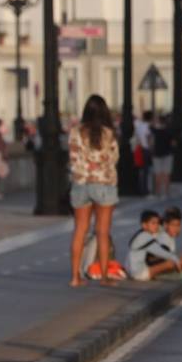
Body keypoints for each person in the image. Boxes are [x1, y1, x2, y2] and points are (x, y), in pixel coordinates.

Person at [69, 95, 120, 287]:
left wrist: (85, 170)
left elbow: (73, 158)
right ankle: (105, 276)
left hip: (80, 184)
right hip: (104, 184)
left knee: (80, 230)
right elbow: (114, 158)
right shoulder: (109, 133)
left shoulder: (75, 132)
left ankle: (75, 277)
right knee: (102, 232)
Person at [151, 111, 175, 199]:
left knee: (158, 174)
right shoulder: (169, 131)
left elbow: (151, 127)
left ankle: (158, 193)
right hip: (167, 154)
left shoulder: (155, 131)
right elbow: (173, 143)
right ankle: (166, 192)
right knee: (167, 174)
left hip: (157, 154)